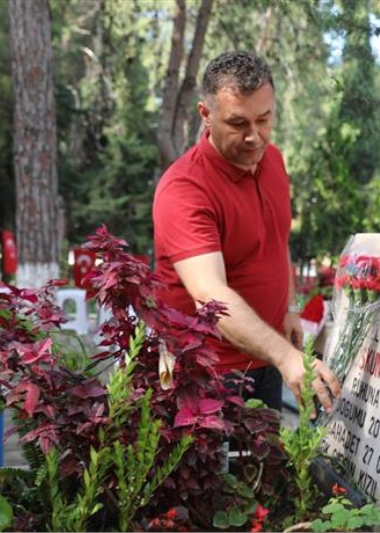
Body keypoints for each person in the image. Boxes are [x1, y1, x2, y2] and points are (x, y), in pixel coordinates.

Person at [152, 50, 341, 412]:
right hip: (206, 376)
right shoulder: (185, 189)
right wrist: (287, 358)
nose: (254, 137)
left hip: (267, 358)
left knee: (259, 468)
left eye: (264, 119)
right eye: (238, 123)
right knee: (215, 470)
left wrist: (290, 307)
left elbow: (277, 241)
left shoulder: (273, 160)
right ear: (206, 115)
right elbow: (211, 295)